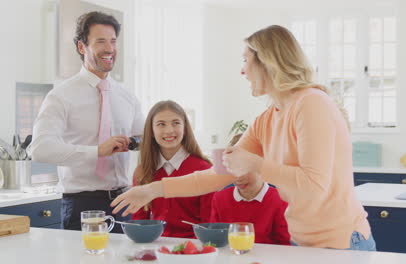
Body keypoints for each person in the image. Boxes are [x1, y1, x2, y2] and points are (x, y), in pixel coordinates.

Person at [111, 25, 376, 250]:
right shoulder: (268, 118)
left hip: (340, 243)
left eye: (245, 61)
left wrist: (257, 164)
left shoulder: (311, 104)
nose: (242, 71)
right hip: (303, 242)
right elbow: (219, 174)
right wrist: (154, 189)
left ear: (267, 63)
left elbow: (313, 186)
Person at [31, 11, 144, 233]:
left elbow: (144, 139)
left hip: (125, 202)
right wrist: (97, 151)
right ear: (82, 47)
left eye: (113, 41)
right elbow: (39, 149)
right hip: (82, 205)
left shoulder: (128, 98)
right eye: (100, 41)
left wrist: (133, 142)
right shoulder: (61, 96)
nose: (110, 49)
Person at [131, 100, 214, 238]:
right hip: (156, 248)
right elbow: (140, 224)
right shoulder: (142, 172)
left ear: (185, 128)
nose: (169, 130)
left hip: (193, 248)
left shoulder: (204, 169)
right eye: (161, 124)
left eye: (176, 123)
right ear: (151, 131)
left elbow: (208, 225)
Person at [210, 134, 290, 245]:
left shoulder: (281, 200)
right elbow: (216, 240)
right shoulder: (219, 198)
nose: (238, 177)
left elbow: (284, 247)